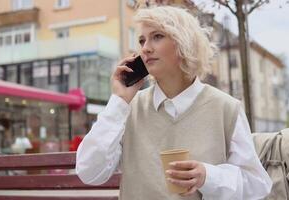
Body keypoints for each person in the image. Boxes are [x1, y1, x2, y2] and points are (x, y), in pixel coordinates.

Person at [76, 5, 272, 200]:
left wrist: (207, 176)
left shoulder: (226, 109)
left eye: (157, 36)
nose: (145, 48)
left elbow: (257, 184)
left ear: (184, 42)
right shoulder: (128, 108)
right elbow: (89, 172)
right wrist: (119, 101)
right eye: (142, 40)